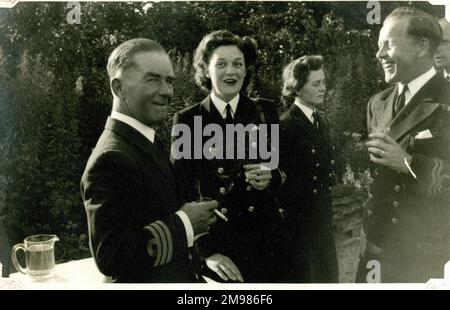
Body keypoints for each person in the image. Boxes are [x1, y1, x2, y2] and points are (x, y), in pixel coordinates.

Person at [80, 38, 219, 283]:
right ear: (119, 88)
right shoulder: (111, 158)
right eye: (152, 79)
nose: (167, 91)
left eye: (169, 80)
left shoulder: (144, 142)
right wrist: (185, 222)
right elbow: (112, 258)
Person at [171, 30, 285, 283]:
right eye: (220, 64)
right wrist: (206, 253)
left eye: (238, 64)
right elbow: (181, 191)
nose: (231, 72)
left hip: (269, 243)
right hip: (221, 249)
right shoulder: (188, 121)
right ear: (206, 70)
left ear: (246, 70)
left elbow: (280, 171)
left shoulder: (265, 111)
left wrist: (271, 177)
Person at [356, 7, 450, 283]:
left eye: (389, 44)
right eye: (378, 45)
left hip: (425, 258)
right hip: (374, 253)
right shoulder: (378, 102)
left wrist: (408, 163)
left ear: (422, 47)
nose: (379, 54)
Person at [278, 55, 339, 283]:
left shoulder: (321, 121)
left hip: (322, 219)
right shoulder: (285, 126)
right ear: (297, 88)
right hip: (299, 228)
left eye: (323, 82)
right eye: (316, 84)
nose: (323, 88)